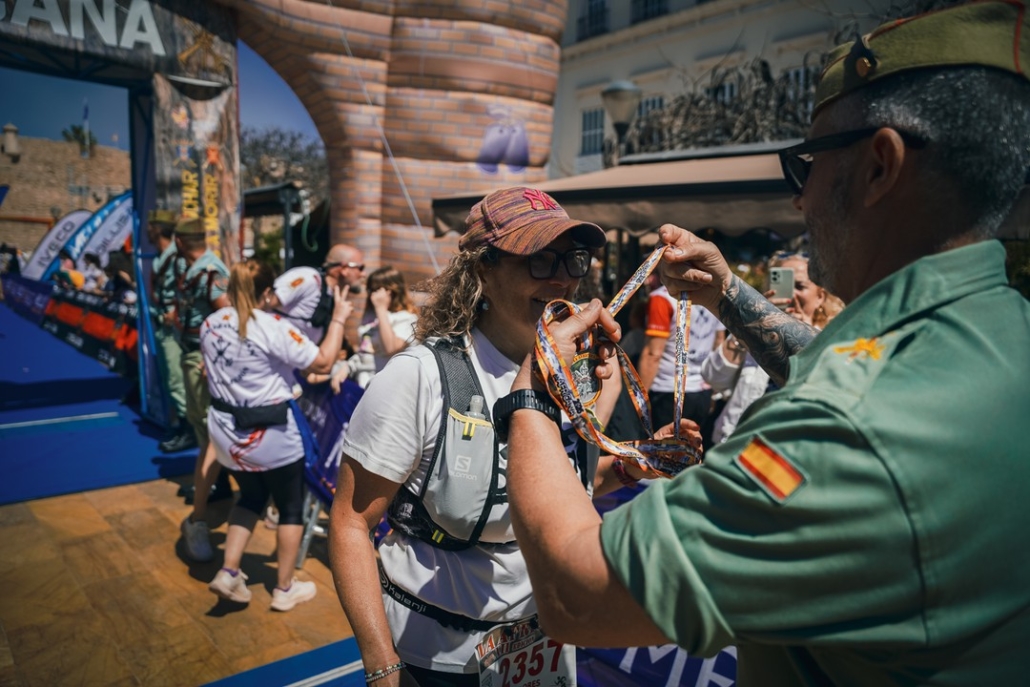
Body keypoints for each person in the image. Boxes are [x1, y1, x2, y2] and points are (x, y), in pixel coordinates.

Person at [502, 3, 1030, 683]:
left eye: (806, 165)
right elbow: (834, 365)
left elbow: (577, 593)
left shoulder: (847, 433)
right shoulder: (1001, 333)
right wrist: (727, 293)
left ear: (879, 166)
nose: (799, 201)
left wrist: (533, 396)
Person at [328, 187, 655, 686]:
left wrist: (632, 465)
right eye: (539, 260)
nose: (563, 278)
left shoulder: (580, 372)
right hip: (435, 657)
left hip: (543, 649)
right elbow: (351, 522)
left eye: (574, 259)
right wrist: (381, 664)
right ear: (483, 269)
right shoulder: (420, 376)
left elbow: (562, 489)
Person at [199, 259, 352, 608]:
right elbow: (323, 362)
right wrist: (339, 317)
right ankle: (284, 589)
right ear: (267, 292)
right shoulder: (271, 326)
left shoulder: (210, 323)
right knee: (290, 507)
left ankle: (229, 570)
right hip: (269, 433)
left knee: (250, 497)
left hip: (225, 430)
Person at [173, 217, 232, 524]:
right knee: (198, 420)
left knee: (208, 423)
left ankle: (216, 483)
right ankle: (211, 481)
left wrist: (212, 358)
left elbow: (227, 314)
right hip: (193, 352)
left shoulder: (211, 271)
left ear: (179, 242)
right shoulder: (198, 268)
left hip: (201, 356)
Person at [636, 271, 724, 434]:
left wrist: (639, 402)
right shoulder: (714, 296)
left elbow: (653, 354)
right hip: (702, 390)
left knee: (662, 448)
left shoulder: (662, 298)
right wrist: (714, 389)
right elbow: (719, 342)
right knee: (694, 446)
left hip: (667, 391)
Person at [146, 210, 195, 454]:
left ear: (157, 228)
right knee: (170, 379)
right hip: (163, 324)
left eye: (150, 225)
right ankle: (181, 425)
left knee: (176, 379)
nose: (146, 230)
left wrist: (175, 311)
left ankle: (189, 431)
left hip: (174, 327)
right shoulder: (162, 256)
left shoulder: (176, 257)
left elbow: (189, 287)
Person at [266, 241, 365, 344]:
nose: (364, 274)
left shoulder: (334, 298)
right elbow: (264, 302)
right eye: (360, 268)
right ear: (344, 268)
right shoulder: (309, 279)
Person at [345, 265, 419, 388]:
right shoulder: (372, 317)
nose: (372, 296)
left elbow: (390, 348)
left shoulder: (407, 319)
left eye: (376, 290)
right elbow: (364, 352)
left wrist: (381, 308)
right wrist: (347, 367)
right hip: (362, 383)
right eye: (370, 290)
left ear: (392, 291)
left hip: (387, 387)